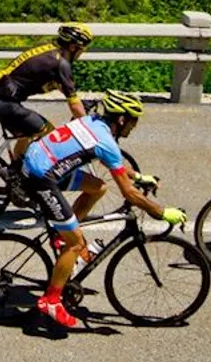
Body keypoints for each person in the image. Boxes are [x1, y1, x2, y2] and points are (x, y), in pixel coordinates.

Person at [17, 89, 184, 329]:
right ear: (122, 119)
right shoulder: (105, 140)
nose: (134, 127)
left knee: (99, 187)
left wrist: (138, 175)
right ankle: (51, 300)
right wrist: (160, 212)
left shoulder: (93, 122)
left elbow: (113, 162)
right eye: (133, 121)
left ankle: (61, 235)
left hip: (40, 162)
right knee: (75, 243)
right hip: (40, 177)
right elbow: (129, 193)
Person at [0, 23, 93, 166]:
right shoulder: (61, 64)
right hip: (3, 102)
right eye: (81, 50)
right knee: (50, 134)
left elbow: (67, 92)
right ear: (73, 47)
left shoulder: (49, 51)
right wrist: (88, 129)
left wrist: (79, 105)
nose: (80, 54)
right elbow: (73, 104)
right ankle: (23, 173)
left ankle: (16, 171)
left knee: (28, 132)